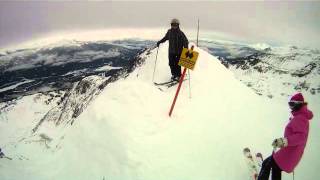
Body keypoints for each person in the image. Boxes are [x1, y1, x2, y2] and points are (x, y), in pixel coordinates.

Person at [258, 92, 313, 180]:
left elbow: (301, 137)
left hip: (289, 154)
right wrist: (283, 141)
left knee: (267, 164)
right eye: (289, 104)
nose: (290, 107)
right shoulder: (301, 116)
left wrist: (284, 141)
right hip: (289, 153)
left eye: (291, 104)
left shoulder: (300, 118)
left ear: (298, 104)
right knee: (275, 168)